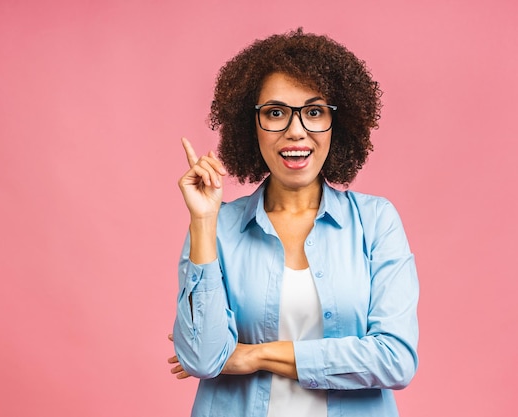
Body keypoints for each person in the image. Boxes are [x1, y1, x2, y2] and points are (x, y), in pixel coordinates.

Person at [168, 28, 419, 417]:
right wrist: (203, 220)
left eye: (314, 112)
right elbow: (202, 358)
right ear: (251, 125)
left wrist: (254, 356)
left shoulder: (375, 221)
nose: (296, 131)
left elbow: (395, 358)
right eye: (275, 112)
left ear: (339, 123)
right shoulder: (218, 227)